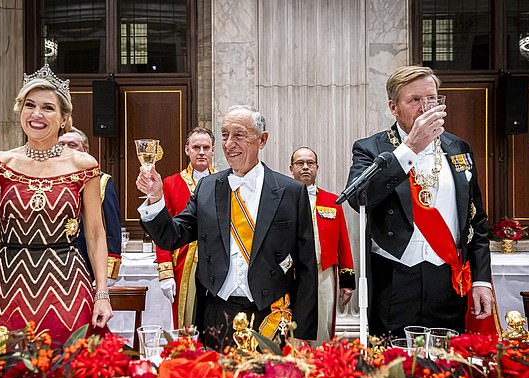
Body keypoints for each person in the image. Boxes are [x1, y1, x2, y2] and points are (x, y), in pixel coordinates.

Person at [0, 64, 113, 343]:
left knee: (73, 374)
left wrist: (102, 295)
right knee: (5, 375)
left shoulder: (83, 165)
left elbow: (95, 234)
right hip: (9, 286)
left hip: (68, 287)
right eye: (29, 105)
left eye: (48, 107)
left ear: (63, 118)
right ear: (20, 110)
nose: (36, 114)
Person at [136, 105, 318, 348]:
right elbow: (172, 236)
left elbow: (306, 266)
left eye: (239, 135)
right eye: (224, 135)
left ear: (262, 140)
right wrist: (156, 199)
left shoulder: (291, 192)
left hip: (270, 315)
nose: (229, 144)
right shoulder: (208, 188)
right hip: (216, 315)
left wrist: (303, 332)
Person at [346, 65, 494, 338]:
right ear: (393, 107)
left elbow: (476, 220)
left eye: (432, 99)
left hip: (448, 278)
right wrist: (409, 150)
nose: (426, 108)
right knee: (394, 368)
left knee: (448, 368)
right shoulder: (371, 148)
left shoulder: (458, 148)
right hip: (394, 278)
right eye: (414, 100)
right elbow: (358, 198)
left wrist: (482, 280)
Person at [289, 147, 355, 343]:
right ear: (291, 168)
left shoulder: (332, 201)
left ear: (317, 167)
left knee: (323, 324)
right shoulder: (281, 199)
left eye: (310, 163)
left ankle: (320, 363)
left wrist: (347, 282)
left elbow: (343, 241)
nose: (305, 167)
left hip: (323, 271)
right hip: (291, 273)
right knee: (290, 324)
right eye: (300, 163)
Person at [155, 127, 215, 329]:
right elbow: (163, 230)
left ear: (213, 151)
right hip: (184, 262)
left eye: (206, 147)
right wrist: (166, 272)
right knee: (187, 321)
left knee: (215, 317)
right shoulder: (171, 183)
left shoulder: (225, 181)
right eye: (196, 147)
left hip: (217, 261)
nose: (201, 152)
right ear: (187, 150)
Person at [59, 127, 122, 283]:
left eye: (72, 145)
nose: (66, 149)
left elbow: (112, 228)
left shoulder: (101, 181)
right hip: (55, 264)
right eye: (61, 145)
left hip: (87, 267)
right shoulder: (48, 181)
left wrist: (108, 271)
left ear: (85, 150)